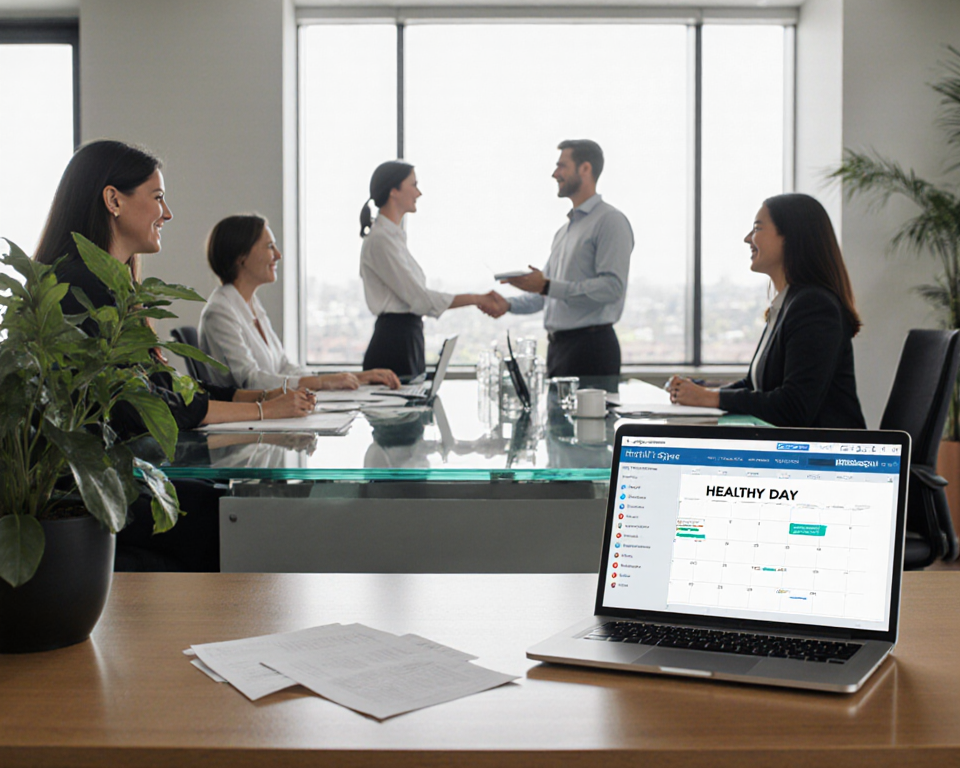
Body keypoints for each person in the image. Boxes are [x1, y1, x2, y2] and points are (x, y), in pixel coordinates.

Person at [33, 140, 314, 571]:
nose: (167, 214)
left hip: (114, 475)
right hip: (88, 492)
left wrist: (254, 402)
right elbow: (140, 409)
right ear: (113, 200)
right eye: (158, 197)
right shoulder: (81, 289)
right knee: (236, 510)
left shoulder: (108, 285)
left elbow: (162, 386)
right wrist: (263, 408)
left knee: (234, 498)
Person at [666, 193, 866, 429]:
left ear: (791, 237)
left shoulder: (814, 306)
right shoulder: (788, 303)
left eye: (757, 229)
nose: (747, 239)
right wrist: (701, 392)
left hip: (829, 458)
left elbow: (794, 407)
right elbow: (756, 386)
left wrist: (710, 397)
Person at [483, 140, 634, 379]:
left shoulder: (610, 221)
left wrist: (547, 285)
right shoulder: (564, 232)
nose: (555, 174)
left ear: (585, 169)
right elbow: (547, 295)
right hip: (559, 350)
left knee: (590, 418)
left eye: (562, 166)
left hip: (591, 350)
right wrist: (508, 304)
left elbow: (611, 288)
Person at [200, 214, 400, 391]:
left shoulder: (251, 304)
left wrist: (354, 377)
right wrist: (322, 383)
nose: (278, 255)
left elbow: (283, 367)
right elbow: (251, 382)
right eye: (270, 247)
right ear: (241, 257)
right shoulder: (220, 312)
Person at [359, 160, 501, 378]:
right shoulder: (381, 240)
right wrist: (476, 298)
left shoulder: (392, 238)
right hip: (394, 344)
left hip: (406, 338)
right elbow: (420, 299)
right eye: (413, 185)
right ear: (394, 191)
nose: (419, 193)